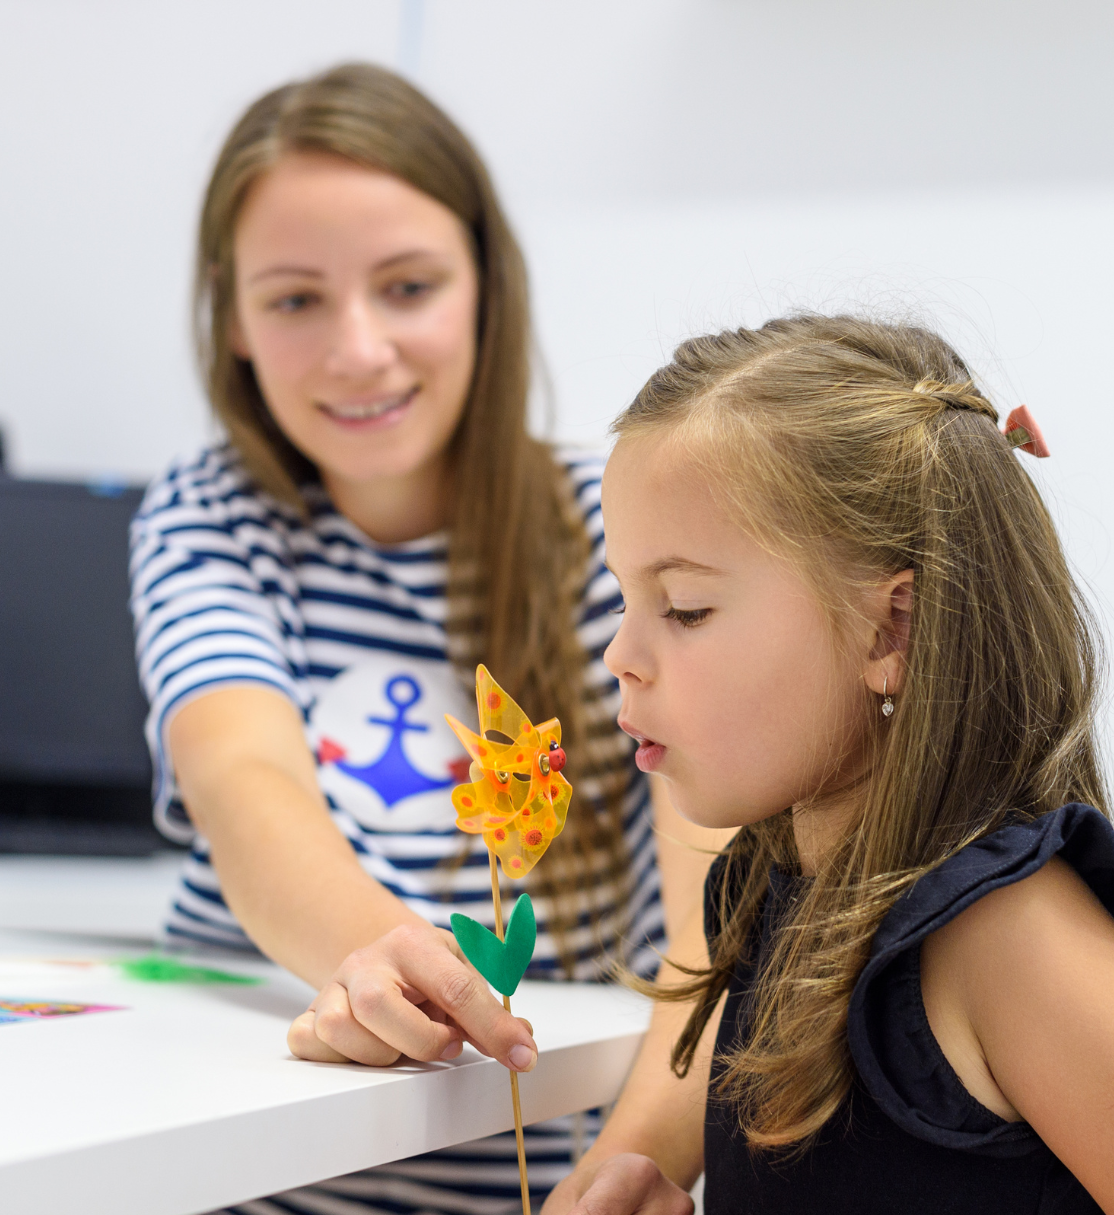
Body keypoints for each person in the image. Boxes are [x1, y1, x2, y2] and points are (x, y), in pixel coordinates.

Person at [129, 62, 719, 1215]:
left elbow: (712, 934)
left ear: (487, 288)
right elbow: (241, 775)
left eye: (407, 287)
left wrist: (623, 1179)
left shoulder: (616, 528)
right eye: (296, 299)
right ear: (233, 317)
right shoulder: (209, 514)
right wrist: (386, 957)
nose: (358, 350)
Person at [542, 315, 1114, 1213]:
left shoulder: (1006, 939)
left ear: (891, 629)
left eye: (682, 608)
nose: (619, 654)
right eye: (623, 596)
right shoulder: (769, 891)